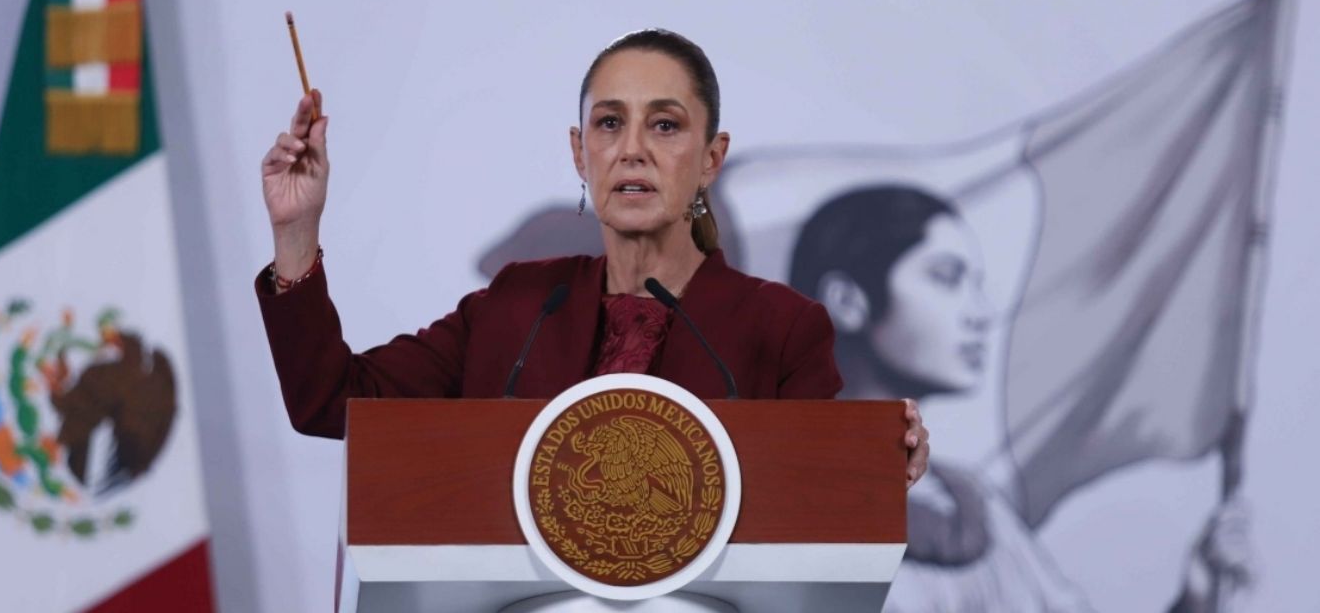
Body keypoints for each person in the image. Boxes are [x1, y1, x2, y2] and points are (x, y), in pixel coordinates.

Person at [254, 29, 929, 487]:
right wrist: (296, 231)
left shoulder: (781, 328)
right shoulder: (516, 306)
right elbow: (332, 401)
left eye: (664, 125)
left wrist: (881, 457)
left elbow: (821, 500)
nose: (632, 150)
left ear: (711, 158)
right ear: (580, 153)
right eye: (610, 123)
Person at [789, 185, 1250, 612]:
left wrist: (1195, 598)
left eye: (976, 283)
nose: (981, 313)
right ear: (847, 301)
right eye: (946, 278)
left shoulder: (973, 507)